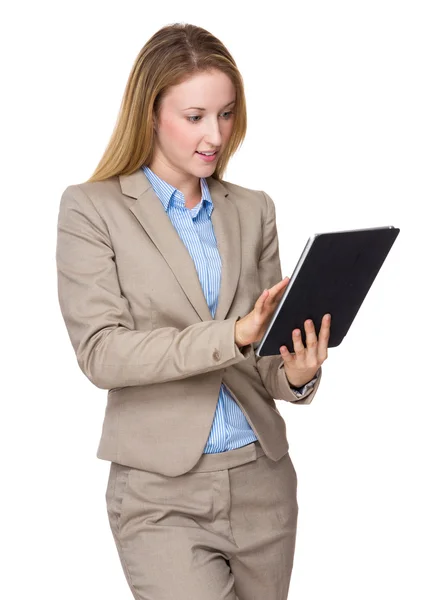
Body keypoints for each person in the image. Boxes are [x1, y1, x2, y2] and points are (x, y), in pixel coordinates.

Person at [56, 22, 330, 600]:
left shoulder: (252, 209)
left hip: (263, 483)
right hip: (160, 493)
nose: (216, 135)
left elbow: (262, 357)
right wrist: (231, 333)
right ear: (151, 112)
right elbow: (101, 353)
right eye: (196, 116)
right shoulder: (92, 209)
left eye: (227, 114)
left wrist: (298, 374)